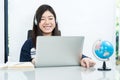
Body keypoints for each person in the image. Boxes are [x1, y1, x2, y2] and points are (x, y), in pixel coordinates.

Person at [20, 4, 96, 68]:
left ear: (55, 21)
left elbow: (75, 56)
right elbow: (21, 66)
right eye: (42, 19)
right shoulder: (28, 44)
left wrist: (84, 59)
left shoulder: (62, 43)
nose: (47, 22)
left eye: (50, 18)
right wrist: (31, 63)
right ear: (37, 22)